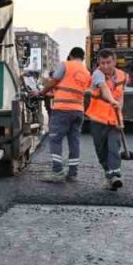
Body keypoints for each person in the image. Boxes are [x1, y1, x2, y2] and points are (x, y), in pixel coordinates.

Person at [33, 47, 92, 182]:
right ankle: (72, 172)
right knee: (74, 141)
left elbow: (54, 81)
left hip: (63, 109)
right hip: (78, 110)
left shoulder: (66, 65)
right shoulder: (86, 72)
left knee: (55, 139)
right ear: (82, 58)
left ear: (70, 55)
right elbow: (74, 89)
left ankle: (57, 171)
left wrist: (41, 93)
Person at [86, 49, 128, 190]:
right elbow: (104, 88)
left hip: (114, 119)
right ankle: (108, 173)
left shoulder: (122, 76)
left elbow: (121, 95)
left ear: (114, 61)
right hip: (99, 119)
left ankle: (115, 174)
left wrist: (119, 110)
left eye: (108, 62)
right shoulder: (97, 74)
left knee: (114, 147)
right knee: (101, 150)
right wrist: (112, 100)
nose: (105, 66)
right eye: (102, 63)